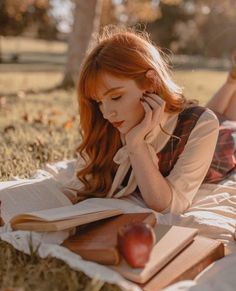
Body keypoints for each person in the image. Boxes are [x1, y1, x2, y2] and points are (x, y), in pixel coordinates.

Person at [64, 25, 235, 215]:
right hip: (204, 123)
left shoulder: (200, 124)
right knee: (217, 115)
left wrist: (136, 145)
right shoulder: (105, 123)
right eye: (99, 102)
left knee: (224, 121)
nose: (107, 113)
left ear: (151, 83)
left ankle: (232, 82)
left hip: (221, 145)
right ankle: (232, 80)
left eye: (116, 97)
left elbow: (169, 205)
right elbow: (82, 180)